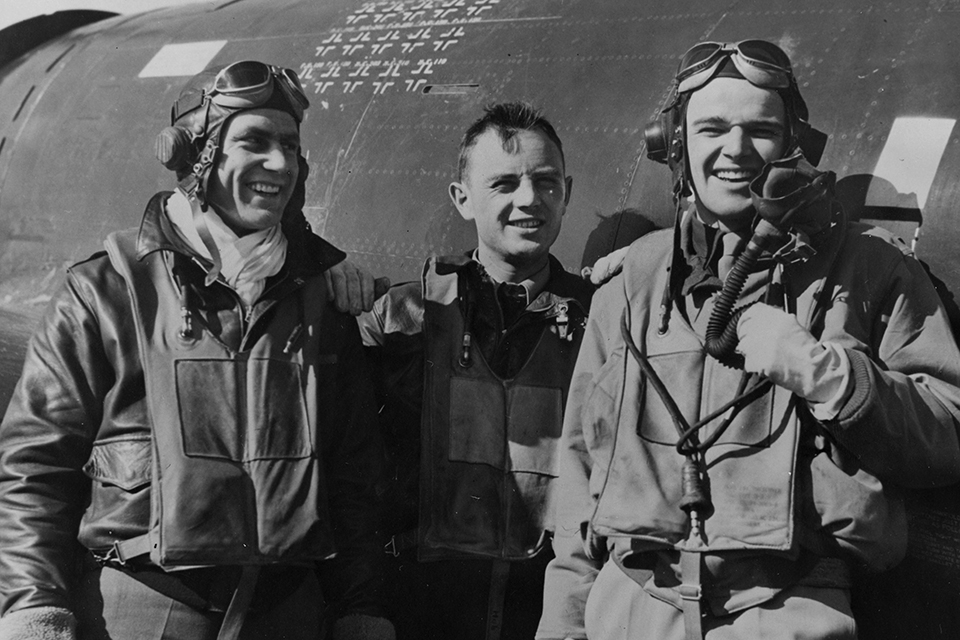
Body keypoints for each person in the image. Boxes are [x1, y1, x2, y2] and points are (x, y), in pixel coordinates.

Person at [538, 40, 960, 640]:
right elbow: (579, 485)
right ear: (677, 144)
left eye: (760, 129)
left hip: (785, 612)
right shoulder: (630, 283)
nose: (735, 150)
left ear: (794, 145)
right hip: (631, 609)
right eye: (711, 128)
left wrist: (829, 377)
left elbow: (947, 434)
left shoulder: (868, 272)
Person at [0, 61, 394, 640]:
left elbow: (355, 476)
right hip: (143, 605)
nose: (280, 164)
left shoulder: (320, 296)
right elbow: (34, 466)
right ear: (196, 155)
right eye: (253, 142)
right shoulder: (106, 291)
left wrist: (361, 610)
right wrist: (35, 607)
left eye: (289, 144)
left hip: (286, 612)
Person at [358, 102, 593, 640]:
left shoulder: (601, 320)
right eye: (504, 184)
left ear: (567, 192)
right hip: (423, 611)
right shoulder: (401, 320)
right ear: (461, 199)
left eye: (546, 182)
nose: (529, 200)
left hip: (547, 613)